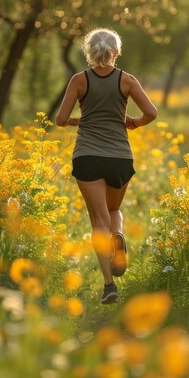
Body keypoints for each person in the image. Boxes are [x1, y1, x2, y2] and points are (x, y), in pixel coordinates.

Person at [56, 28, 157, 304]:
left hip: (87, 156)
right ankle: (119, 236)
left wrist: (78, 121)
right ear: (116, 51)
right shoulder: (127, 80)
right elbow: (151, 113)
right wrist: (133, 123)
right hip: (120, 157)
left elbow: (60, 119)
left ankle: (109, 285)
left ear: (89, 52)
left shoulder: (79, 80)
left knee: (98, 220)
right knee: (114, 211)